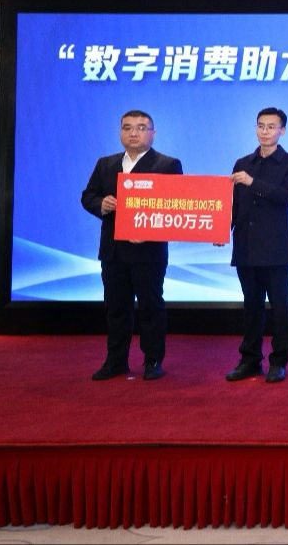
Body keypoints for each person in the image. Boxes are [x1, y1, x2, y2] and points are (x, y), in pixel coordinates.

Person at [81, 109, 182, 381]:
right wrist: (100, 204)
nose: (133, 133)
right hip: (113, 251)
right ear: (120, 133)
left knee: (150, 306)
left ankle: (152, 360)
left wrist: (149, 231)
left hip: (149, 251)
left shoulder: (167, 165)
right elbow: (88, 196)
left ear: (153, 133)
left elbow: (174, 206)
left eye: (140, 127)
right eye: (127, 128)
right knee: (116, 307)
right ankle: (116, 361)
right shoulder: (106, 164)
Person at [223, 107, 288, 384]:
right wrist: (222, 228)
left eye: (271, 126)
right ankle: (249, 360)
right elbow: (235, 203)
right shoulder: (242, 162)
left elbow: (286, 196)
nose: (265, 131)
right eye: (261, 126)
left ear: (283, 131)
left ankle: (279, 362)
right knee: (251, 307)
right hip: (246, 246)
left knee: (280, 308)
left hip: (275, 249)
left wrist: (252, 182)